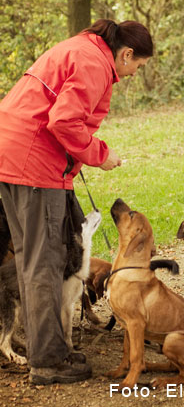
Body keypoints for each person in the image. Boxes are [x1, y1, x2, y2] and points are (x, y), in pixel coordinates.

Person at [0, 19, 153, 384]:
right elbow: (65, 121)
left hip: (13, 156)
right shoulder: (95, 63)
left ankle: (48, 348)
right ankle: (49, 361)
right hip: (33, 164)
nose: (134, 73)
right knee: (45, 264)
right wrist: (101, 154)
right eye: (139, 66)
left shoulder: (81, 50)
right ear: (127, 54)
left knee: (32, 260)